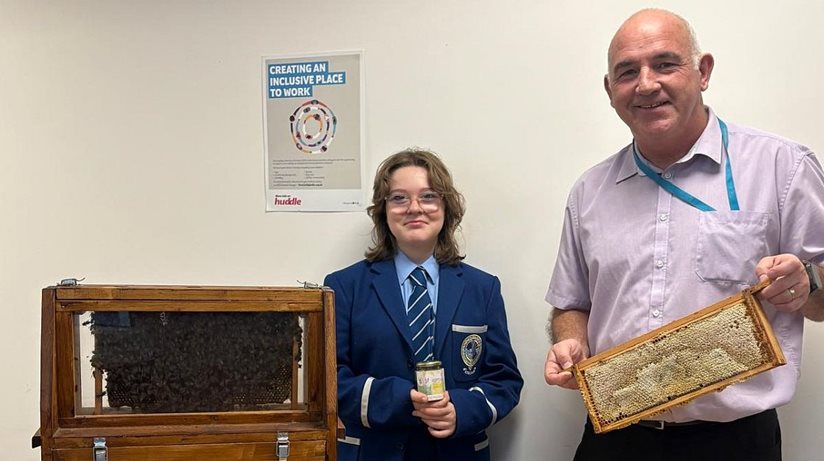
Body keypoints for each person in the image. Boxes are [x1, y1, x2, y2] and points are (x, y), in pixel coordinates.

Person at [543, 8, 824, 461]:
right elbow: (571, 303)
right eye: (627, 72)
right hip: (615, 437)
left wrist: (807, 281)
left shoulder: (782, 167)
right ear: (610, 90)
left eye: (665, 63)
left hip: (734, 442)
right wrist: (569, 340)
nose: (646, 84)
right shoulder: (588, 191)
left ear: (703, 71)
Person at [326, 148, 522, 461]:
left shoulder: (482, 288)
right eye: (399, 198)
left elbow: (504, 380)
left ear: (446, 207)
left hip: (457, 451)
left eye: (428, 196)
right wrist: (401, 400)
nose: (414, 208)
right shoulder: (344, 287)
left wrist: (461, 411)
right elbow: (329, 380)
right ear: (383, 210)